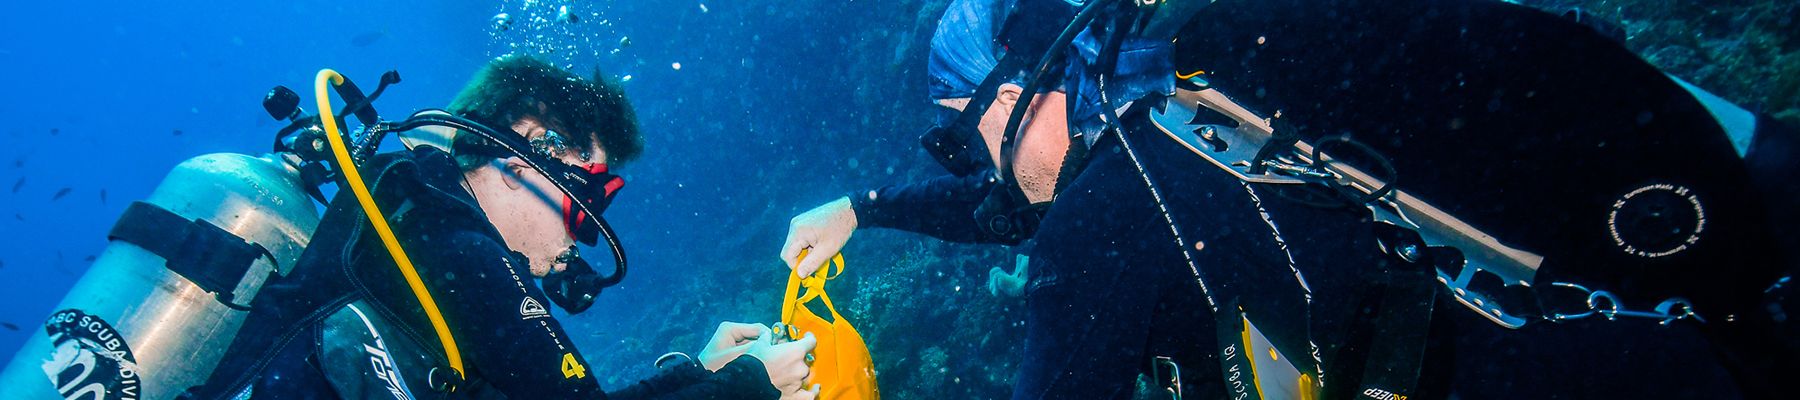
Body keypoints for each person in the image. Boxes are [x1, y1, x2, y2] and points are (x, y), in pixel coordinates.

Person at [781, 0, 1796, 398]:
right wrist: (865, 208)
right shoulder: (1206, 111)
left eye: (969, 140)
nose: (979, 174)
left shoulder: (1097, 232)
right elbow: (1007, 209)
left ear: (1016, 93)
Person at [185, 54, 819, 399]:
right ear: (525, 153)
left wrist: (701, 371)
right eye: (588, 191)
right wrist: (751, 386)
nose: (586, 230)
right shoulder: (456, 251)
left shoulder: (413, 226)